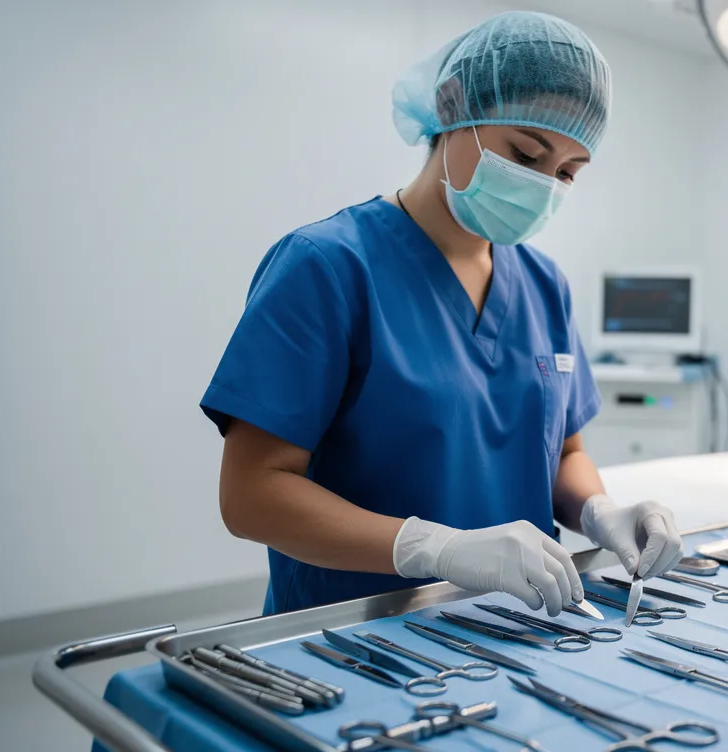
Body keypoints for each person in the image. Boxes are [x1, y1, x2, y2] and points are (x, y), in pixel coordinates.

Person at [201, 11, 684, 617]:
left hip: (521, 624)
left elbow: (563, 453)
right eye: (525, 154)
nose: (544, 185)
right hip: (355, 639)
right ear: (453, 108)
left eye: (566, 172)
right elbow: (251, 495)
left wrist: (600, 510)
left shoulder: (543, 285)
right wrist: (435, 549)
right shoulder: (327, 265)